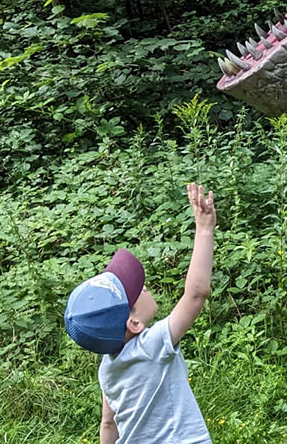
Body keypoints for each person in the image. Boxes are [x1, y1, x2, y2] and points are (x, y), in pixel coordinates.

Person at [63, 183, 217, 444]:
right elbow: (196, 295)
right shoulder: (153, 345)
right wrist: (204, 230)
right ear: (133, 323)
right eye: (137, 290)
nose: (143, 286)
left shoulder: (106, 369)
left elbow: (109, 423)